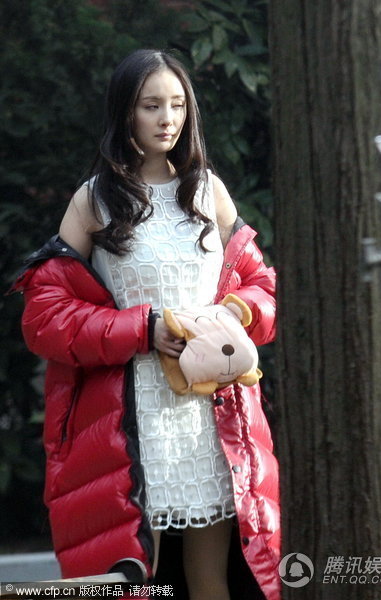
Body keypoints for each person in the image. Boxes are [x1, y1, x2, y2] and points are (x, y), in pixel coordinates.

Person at [13, 49, 280, 600]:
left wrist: (237, 311)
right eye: (151, 105)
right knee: (137, 584)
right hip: (131, 423)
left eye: (177, 105)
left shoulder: (208, 190)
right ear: (125, 112)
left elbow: (262, 284)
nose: (167, 119)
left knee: (214, 579)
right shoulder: (95, 199)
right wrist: (143, 329)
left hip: (214, 418)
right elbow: (45, 315)